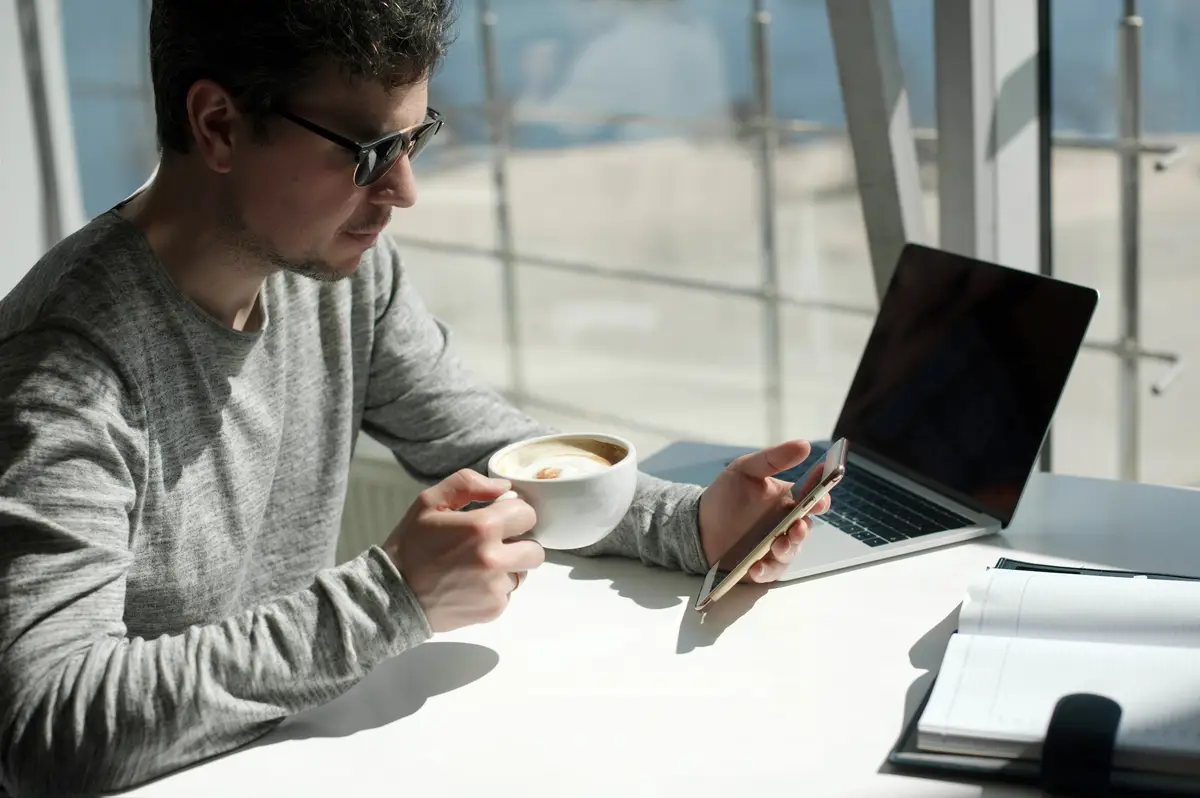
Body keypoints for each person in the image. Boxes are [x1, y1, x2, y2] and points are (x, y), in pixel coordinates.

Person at [0, 2, 829, 795]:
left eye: (416, 138)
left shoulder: (333, 275)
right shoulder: (64, 365)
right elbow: (45, 727)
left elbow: (484, 446)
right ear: (217, 124)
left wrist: (687, 525)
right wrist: (389, 598)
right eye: (366, 152)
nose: (403, 190)